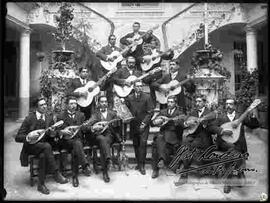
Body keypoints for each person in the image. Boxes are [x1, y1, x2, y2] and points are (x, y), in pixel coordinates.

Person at [15, 97, 68, 195]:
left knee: (44, 154)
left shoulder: (49, 118)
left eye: (45, 104)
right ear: (36, 107)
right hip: (31, 147)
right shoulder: (29, 118)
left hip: (44, 148)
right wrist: (28, 136)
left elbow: (53, 135)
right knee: (47, 146)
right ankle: (56, 173)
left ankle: (41, 185)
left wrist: (53, 133)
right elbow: (18, 137)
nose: (44, 106)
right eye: (41, 105)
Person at [207, 98, 260, 193]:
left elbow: (254, 125)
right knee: (233, 150)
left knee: (233, 151)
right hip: (224, 143)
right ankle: (239, 173)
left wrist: (252, 116)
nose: (228, 106)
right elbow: (210, 127)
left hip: (238, 143)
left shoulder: (241, 117)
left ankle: (229, 179)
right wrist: (222, 131)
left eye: (231, 104)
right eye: (227, 104)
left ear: (235, 106)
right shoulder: (220, 117)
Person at [176, 95, 216, 185]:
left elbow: (213, 128)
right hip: (193, 137)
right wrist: (187, 123)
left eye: (199, 101)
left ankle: (183, 175)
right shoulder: (193, 112)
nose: (197, 103)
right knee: (185, 142)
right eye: (196, 101)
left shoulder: (210, 113)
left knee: (188, 147)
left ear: (204, 103)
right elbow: (185, 124)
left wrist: (205, 125)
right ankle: (184, 172)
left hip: (204, 139)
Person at [56, 96, 92, 187]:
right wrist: (62, 131)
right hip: (66, 142)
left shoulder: (81, 115)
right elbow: (57, 131)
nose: (73, 105)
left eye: (75, 103)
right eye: (71, 103)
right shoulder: (60, 116)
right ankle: (84, 165)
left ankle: (75, 177)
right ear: (67, 105)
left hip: (78, 140)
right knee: (77, 144)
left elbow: (85, 129)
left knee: (75, 149)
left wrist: (85, 127)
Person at [86, 95, 121, 183]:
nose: (104, 103)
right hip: (98, 136)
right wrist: (94, 127)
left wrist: (115, 123)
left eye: (105, 102)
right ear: (99, 103)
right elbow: (88, 125)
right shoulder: (95, 114)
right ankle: (108, 160)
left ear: (107, 103)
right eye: (102, 102)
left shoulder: (112, 113)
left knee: (104, 143)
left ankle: (105, 170)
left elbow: (118, 127)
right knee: (102, 140)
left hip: (110, 135)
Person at [151, 96, 186, 178]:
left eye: (171, 102)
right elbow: (152, 123)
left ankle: (161, 161)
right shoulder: (163, 111)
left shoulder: (180, 113)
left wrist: (169, 120)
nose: (169, 104)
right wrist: (156, 121)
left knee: (159, 140)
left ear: (175, 103)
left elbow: (182, 123)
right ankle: (157, 167)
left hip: (174, 136)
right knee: (159, 139)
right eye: (168, 102)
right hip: (163, 135)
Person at [125, 80, 154, 175]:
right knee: (136, 145)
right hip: (134, 125)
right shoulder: (129, 97)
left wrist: (144, 123)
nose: (139, 88)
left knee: (143, 144)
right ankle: (138, 162)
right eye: (137, 86)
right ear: (133, 87)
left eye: (141, 86)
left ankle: (142, 165)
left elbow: (150, 112)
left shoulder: (147, 97)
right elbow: (126, 110)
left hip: (144, 125)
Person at [139, 38, 174, 104]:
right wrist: (145, 60)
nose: (152, 45)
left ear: (156, 45)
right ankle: (153, 105)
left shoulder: (159, 53)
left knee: (158, 90)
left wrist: (171, 52)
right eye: (151, 43)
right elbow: (140, 59)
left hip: (157, 74)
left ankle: (162, 103)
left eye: (153, 44)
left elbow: (168, 57)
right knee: (151, 91)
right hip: (149, 74)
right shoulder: (146, 53)